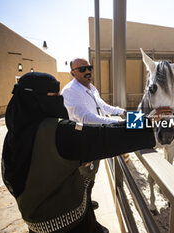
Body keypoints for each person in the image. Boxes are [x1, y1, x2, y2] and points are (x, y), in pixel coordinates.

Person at [1, 72, 155, 233]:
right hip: (70, 224)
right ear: (37, 99)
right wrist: (147, 121)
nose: (60, 98)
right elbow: (105, 135)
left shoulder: (15, 132)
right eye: (54, 94)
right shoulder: (57, 131)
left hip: (37, 223)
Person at [61, 58, 125, 210]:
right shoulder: (70, 91)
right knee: (81, 179)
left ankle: (87, 201)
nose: (88, 71)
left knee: (90, 176)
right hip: (82, 143)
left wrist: (121, 112)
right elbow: (85, 118)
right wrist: (118, 123)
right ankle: (82, 210)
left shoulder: (91, 88)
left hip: (94, 139)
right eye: (82, 69)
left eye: (89, 68)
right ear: (72, 73)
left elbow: (102, 106)